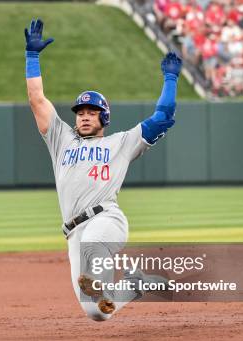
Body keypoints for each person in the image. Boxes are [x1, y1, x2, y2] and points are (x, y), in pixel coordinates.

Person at [24, 19, 182, 321]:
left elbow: (162, 117)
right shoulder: (61, 140)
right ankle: (135, 284)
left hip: (105, 220)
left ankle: (105, 278)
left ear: (104, 117)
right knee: (97, 311)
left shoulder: (121, 143)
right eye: (80, 112)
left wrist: (171, 79)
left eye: (91, 112)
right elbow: (37, 100)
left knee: (93, 248)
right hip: (73, 233)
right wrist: (32, 59)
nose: (84, 117)